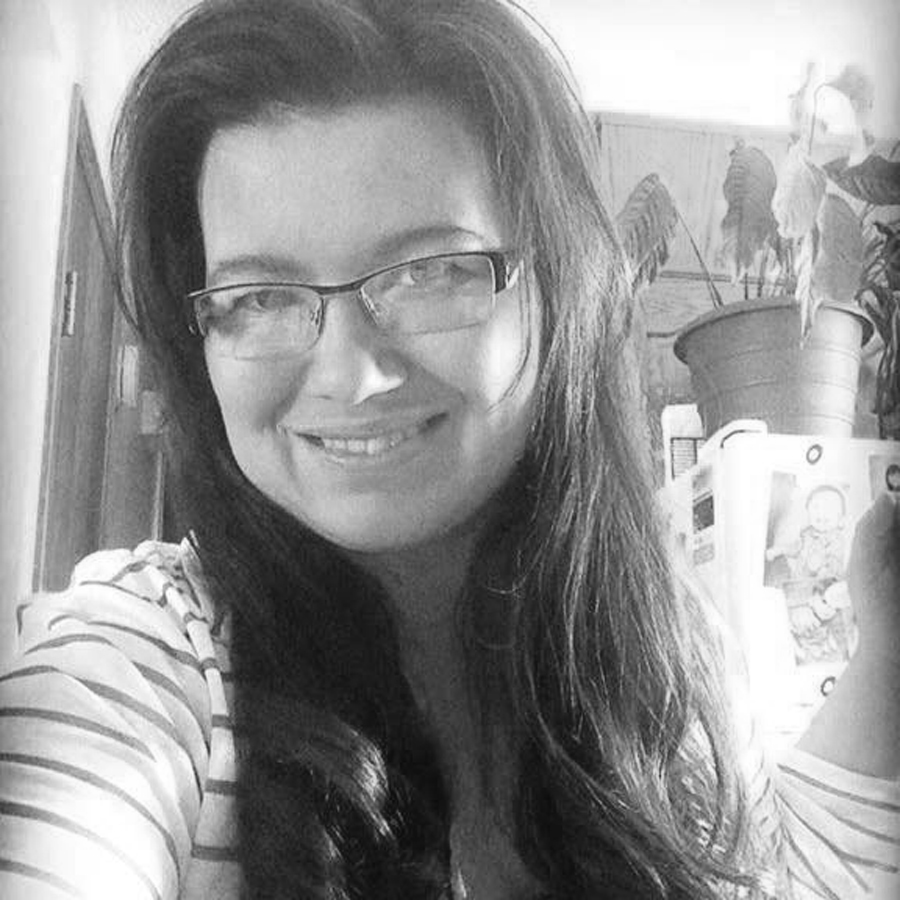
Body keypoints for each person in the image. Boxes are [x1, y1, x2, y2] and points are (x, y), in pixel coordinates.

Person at [1, 1, 898, 897]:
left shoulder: (673, 655)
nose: (351, 377)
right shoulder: (140, 661)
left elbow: (771, 875)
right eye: (260, 297)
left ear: (558, 291)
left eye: (430, 272)